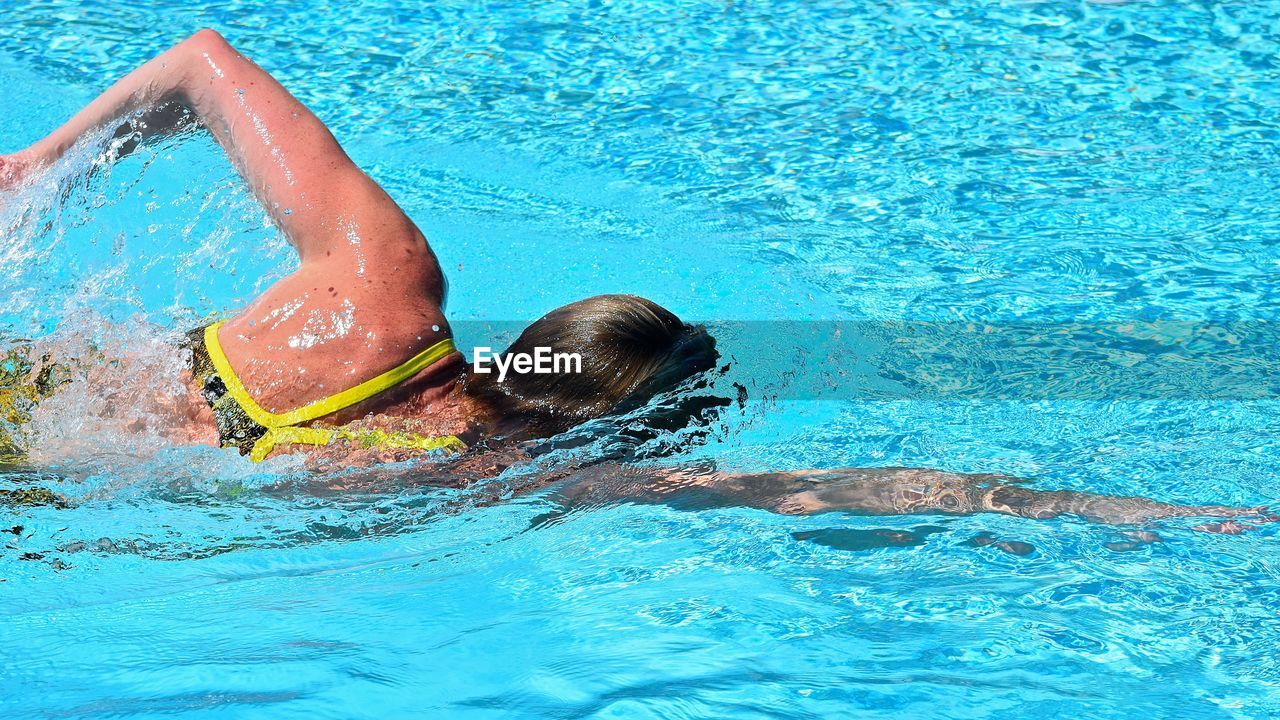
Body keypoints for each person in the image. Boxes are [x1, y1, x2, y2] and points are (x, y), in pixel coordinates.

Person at [0, 32, 1271, 535]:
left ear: (542, 334)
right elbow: (828, 490)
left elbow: (206, 64)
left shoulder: (379, 287)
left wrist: (45, 161)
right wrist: (1101, 507)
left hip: (40, 392)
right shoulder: (519, 474)